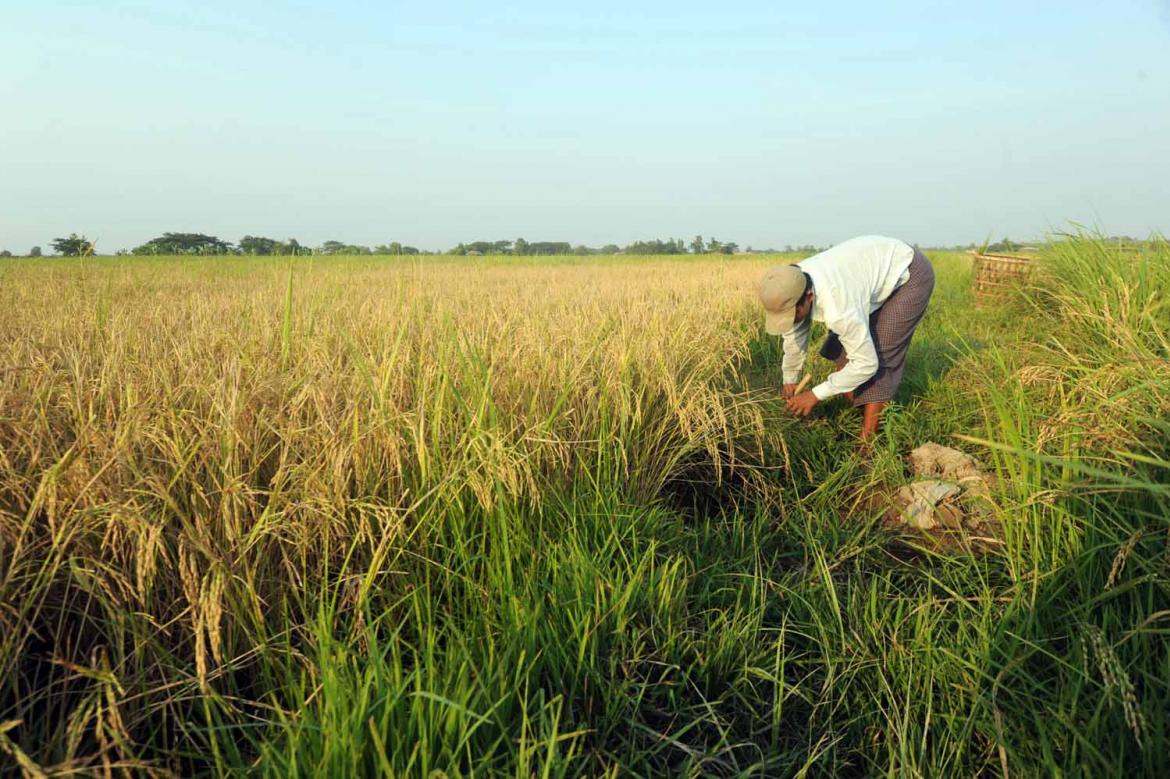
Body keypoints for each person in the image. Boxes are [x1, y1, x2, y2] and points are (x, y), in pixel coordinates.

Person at [757, 235, 935, 441]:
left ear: (808, 297)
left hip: (908, 274)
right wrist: (790, 378)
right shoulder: (792, 282)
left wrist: (815, 395)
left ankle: (868, 442)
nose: (789, 321)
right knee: (839, 347)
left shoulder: (838, 306)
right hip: (868, 273)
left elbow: (866, 363)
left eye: (792, 315)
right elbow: (794, 334)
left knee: (881, 354)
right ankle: (859, 406)